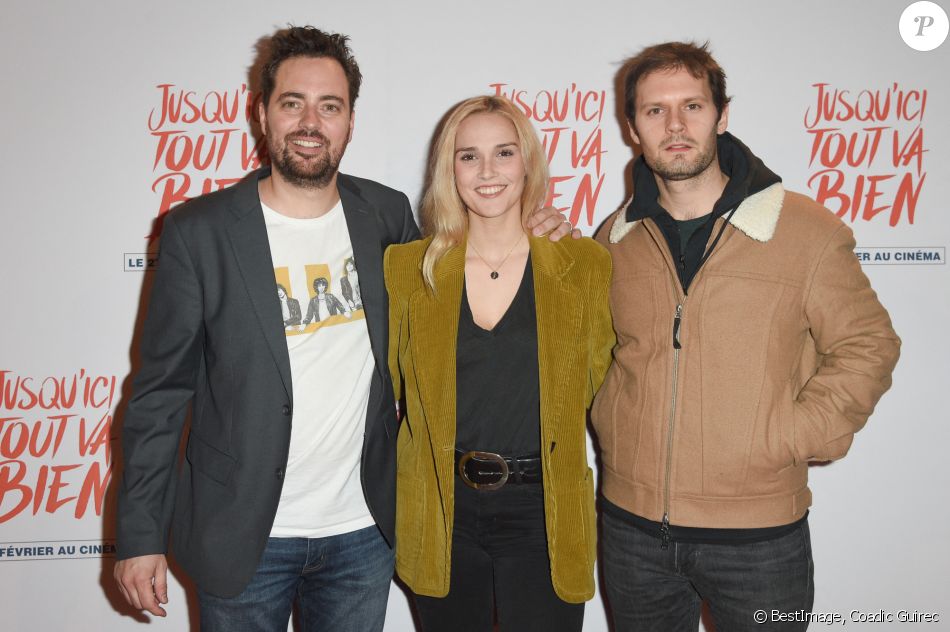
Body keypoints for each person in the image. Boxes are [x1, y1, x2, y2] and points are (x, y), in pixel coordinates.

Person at [113, 26, 574, 632]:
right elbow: (160, 393)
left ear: (350, 121)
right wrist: (140, 533)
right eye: (293, 103)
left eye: (329, 106)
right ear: (262, 114)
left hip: (363, 531)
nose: (311, 121)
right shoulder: (199, 232)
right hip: (244, 532)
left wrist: (533, 232)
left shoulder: (385, 216)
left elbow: (463, 294)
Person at [592, 41, 901, 631]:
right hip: (631, 530)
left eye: (693, 106)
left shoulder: (804, 230)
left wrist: (788, 435)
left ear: (722, 115)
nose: (675, 125)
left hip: (758, 542)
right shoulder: (616, 237)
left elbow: (869, 345)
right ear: (632, 127)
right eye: (655, 111)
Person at [385, 95, 615, 632]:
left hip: (544, 515)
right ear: (449, 169)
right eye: (468, 156)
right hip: (443, 512)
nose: (487, 171)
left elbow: (600, 384)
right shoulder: (406, 270)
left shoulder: (583, 266)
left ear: (528, 163)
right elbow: (389, 386)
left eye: (504, 153)